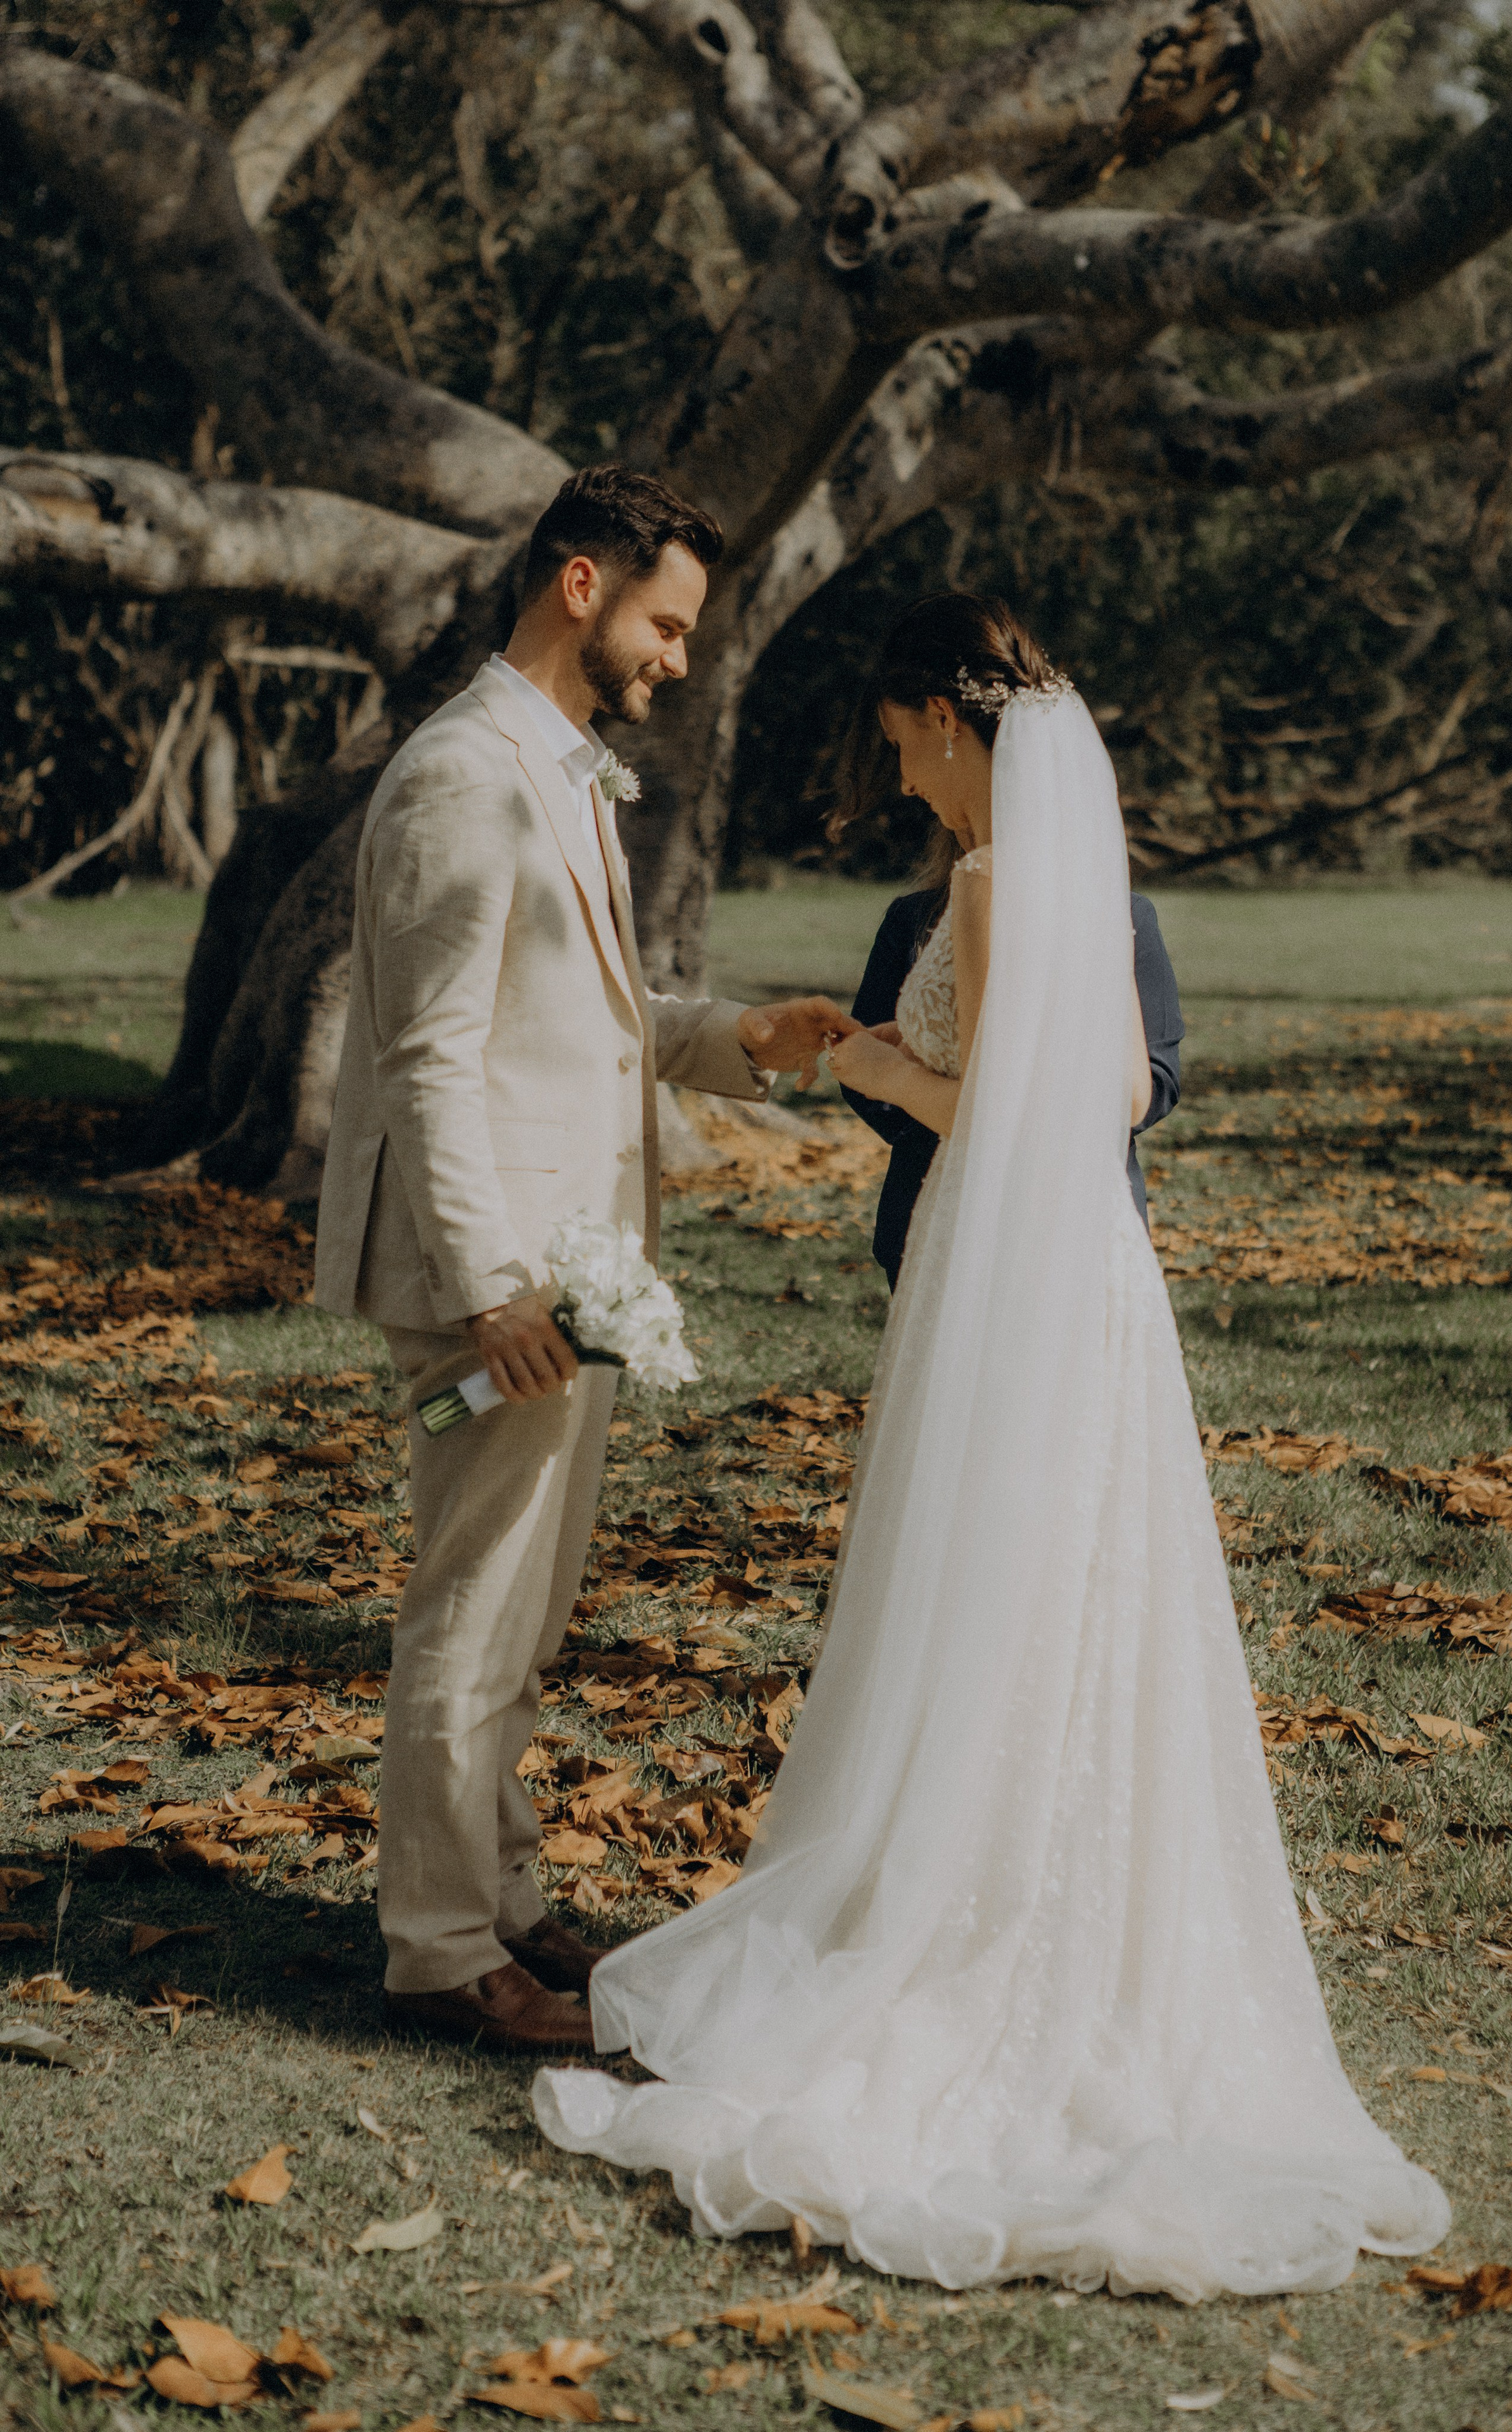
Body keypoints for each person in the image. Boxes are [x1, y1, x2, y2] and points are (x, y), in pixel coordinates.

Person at [532, 592, 1449, 2302]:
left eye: (905, 748)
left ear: (953, 721)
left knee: (980, 1567)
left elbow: (1018, 1101)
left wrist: (878, 1057)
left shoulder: (988, 877)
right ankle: (1074, 1914)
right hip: (1088, 1266)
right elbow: (1109, 1097)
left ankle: (962, 1915)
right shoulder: (1080, 876)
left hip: (1002, 1255)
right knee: (1074, 1579)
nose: (908, 783)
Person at [313, 465, 856, 2055]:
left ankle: (506, 1892)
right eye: (667, 624)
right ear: (579, 587)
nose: (677, 658)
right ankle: (434, 1947)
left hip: (572, 1271)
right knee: (471, 1609)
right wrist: (495, 1287)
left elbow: (593, 1021)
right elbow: (425, 1059)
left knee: (529, 1611)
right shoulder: (462, 780)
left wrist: (737, 1035)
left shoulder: (563, 771)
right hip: (500, 1281)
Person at [839, 858, 1183, 1289]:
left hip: (1076, 1216)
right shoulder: (913, 917)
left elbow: (1157, 1078)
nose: (910, 787)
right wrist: (933, 1115)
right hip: (931, 1208)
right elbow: (867, 1054)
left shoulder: (1121, 915)